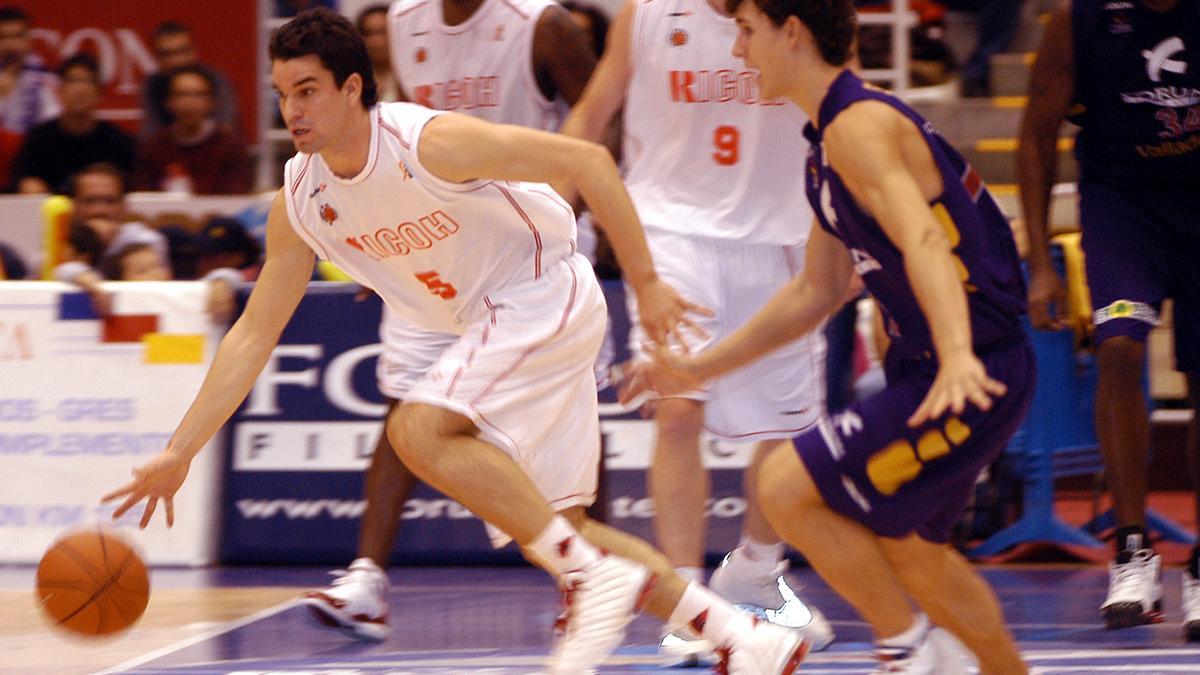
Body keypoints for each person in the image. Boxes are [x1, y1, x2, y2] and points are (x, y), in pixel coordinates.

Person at [101, 10, 808, 674]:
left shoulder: (427, 141)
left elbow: (590, 160)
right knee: (560, 529)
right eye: (283, 93)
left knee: (417, 425)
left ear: (353, 88)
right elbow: (255, 330)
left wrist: (647, 284)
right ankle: (745, 638)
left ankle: (592, 577)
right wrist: (180, 449)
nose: (293, 110)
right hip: (498, 317)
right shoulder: (301, 199)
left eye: (309, 89)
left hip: (540, 289)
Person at [633, 0, 1036, 671]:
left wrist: (960, 353)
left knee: (788, 485)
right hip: (934, 365)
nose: (737, 51)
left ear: (791, 32)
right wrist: (694, 368)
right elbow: (813, 294)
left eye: (747, 31)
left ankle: (907, 649)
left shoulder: (859, 127)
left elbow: (925, 239)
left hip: (970, 367)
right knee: (914, 551)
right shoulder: (825, 144)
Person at [299, 0, 604, 644]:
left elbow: (602, 117)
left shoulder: (542, 23)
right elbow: (391, 130)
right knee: (405, 408)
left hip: (526, 249)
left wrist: (571, 197)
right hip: (429, 244)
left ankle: (582, 583)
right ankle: (367, 580)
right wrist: (373, 236)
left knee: (558, 432)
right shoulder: (407, 21)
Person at [559, 0, 834, 663]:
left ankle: (758, 572)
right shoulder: (646, 13)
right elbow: (590, 117)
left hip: (779, 233)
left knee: (787, 427)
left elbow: (840, 111)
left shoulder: (797, 14)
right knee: (677, 406)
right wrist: (542, 212)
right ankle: (688, 602)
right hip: (671, 227)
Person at [1017, 0, 1199, 639]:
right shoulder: (1079, 18)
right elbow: (1037, 136)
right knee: (1120, 347)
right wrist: (1041, 262)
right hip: (1123, 208)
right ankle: (1133, 550)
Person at [11, 54, 135, 194]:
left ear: (100, 93)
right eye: (73, 81)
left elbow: (130, 188)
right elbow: (21, 182)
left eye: (88, 81)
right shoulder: (39, 138)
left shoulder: (118, 141)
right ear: (59, 90)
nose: (80, 89)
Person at [133, 65, 253, 194]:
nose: (189, 102)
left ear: (211, 102)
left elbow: (234, 198)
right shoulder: (152, 147)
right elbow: (144, 196)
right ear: (168, 101)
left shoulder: (230, 146)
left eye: (197, 95)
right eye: (181, 94)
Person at [140, 21, 240, 140]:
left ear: (193, 52)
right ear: (157, 58)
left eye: (181, 52)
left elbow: (225, 131)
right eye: (166, 54)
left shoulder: (216, 81)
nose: (175, 61)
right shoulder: (152, 85)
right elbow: (150, 135)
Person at [0, 6, 59, 134]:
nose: (10, 44)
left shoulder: (46, 79)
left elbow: (55, 126)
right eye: (3, 37)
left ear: (28, 40)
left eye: (17, 36)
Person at [356, 5, 398, 103]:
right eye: (368, 33)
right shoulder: (350, 78)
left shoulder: (408, 78)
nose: (375, 41)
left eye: (382, 32)